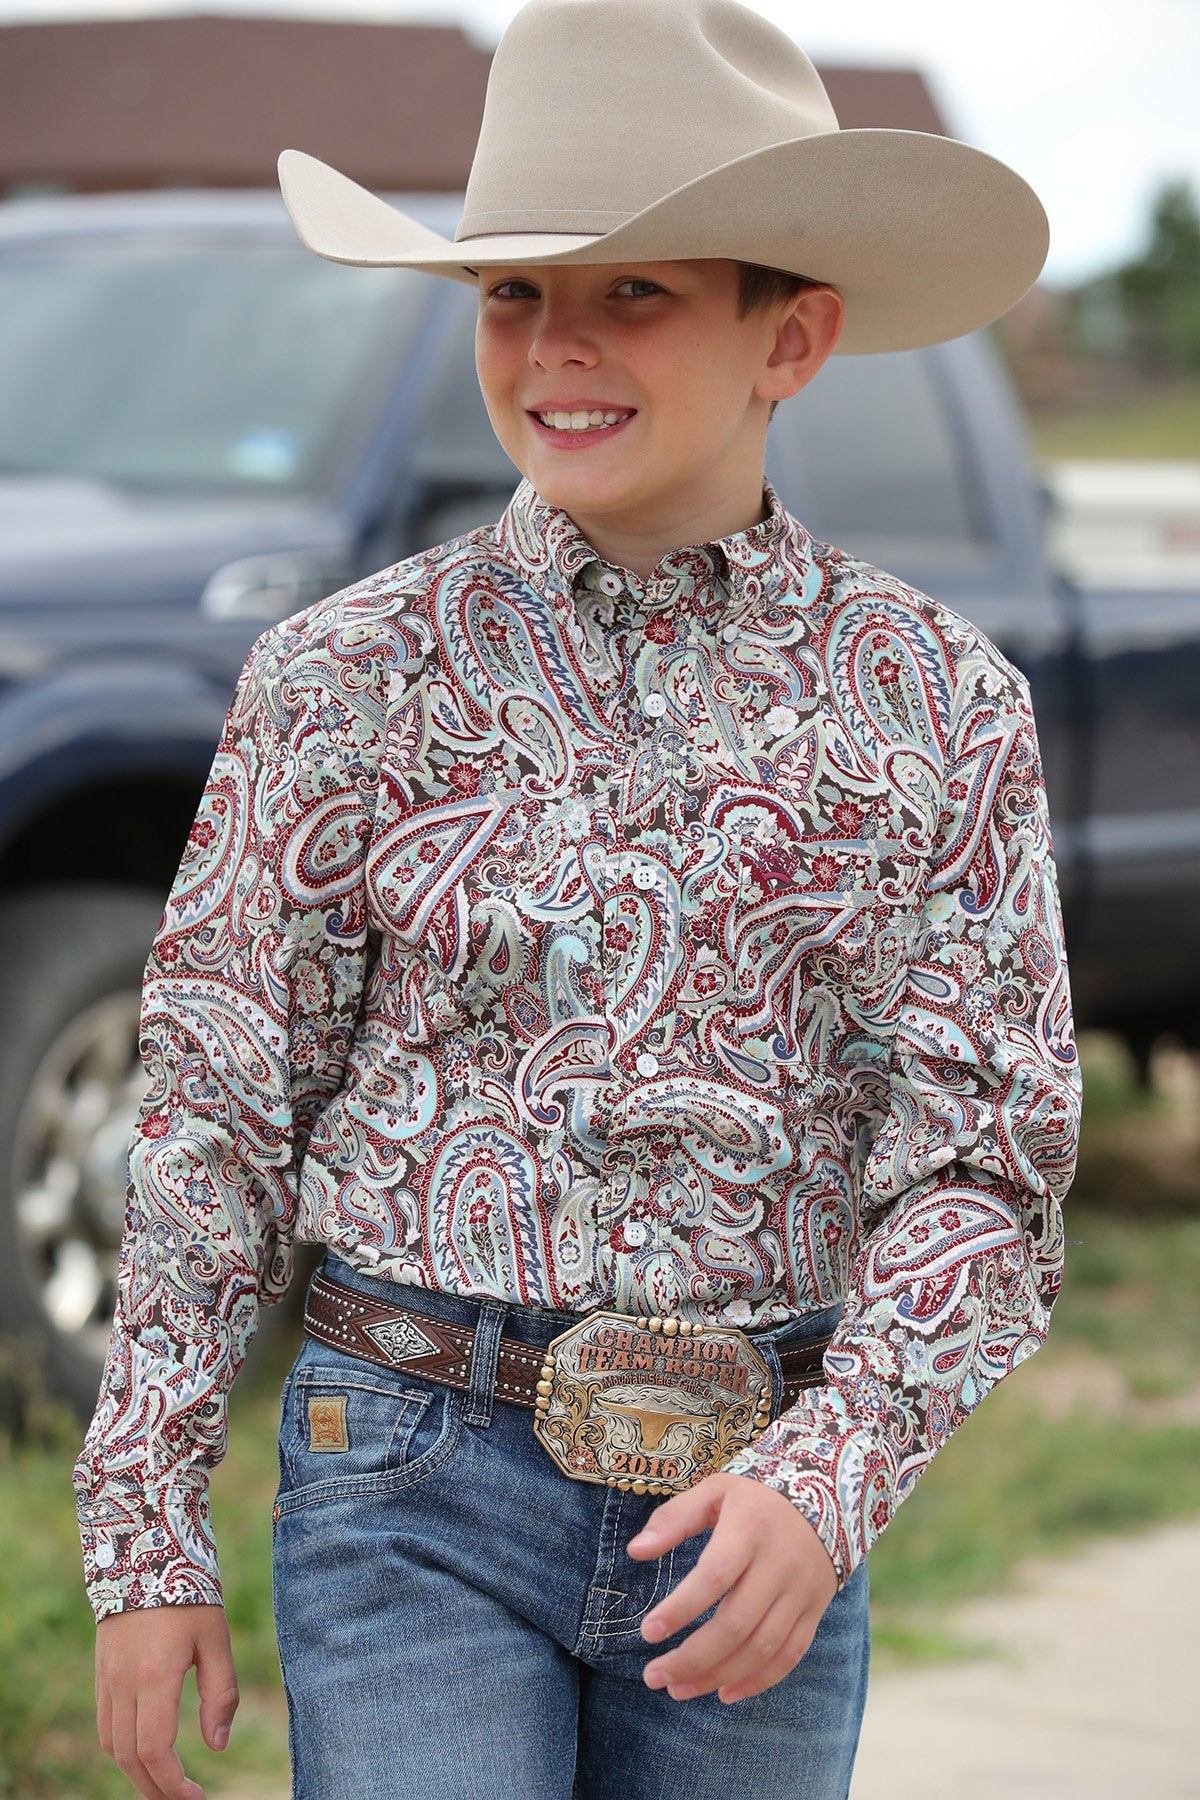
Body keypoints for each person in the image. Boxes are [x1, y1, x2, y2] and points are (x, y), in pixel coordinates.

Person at [74, 2, 1082, 1796]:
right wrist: (145, 1527)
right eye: (514, 297)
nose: (558, 349)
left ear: (798, 335)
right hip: (408, 1471)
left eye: (636, 295)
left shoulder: (939, 706)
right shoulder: (345, 679)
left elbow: (987, 1168)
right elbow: (217, 1111)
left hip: (755, 1498)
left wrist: (833, 1467)